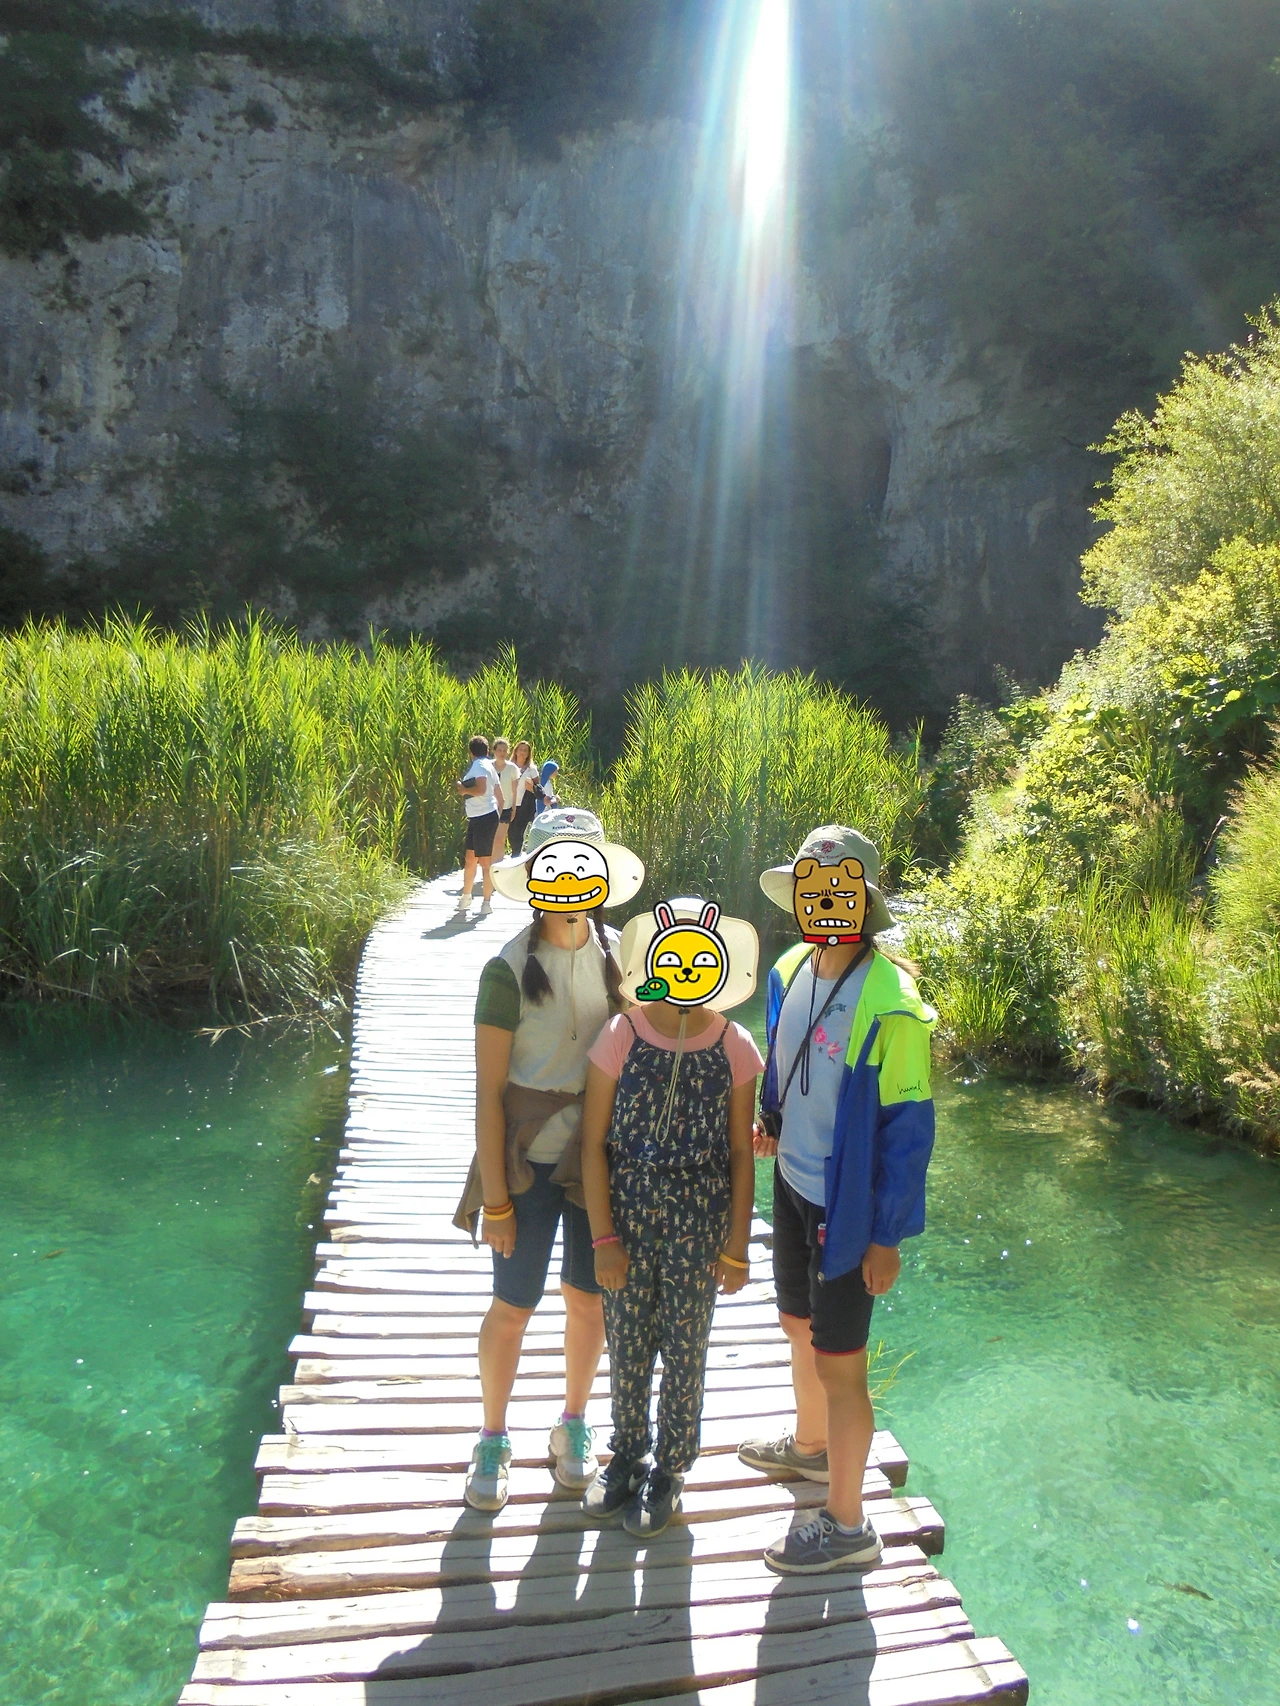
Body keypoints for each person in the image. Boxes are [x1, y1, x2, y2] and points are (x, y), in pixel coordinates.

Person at [740, 826, 936, 1575]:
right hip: (792, 1184)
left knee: (842, 1361)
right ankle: (811, 1446)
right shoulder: (792, 968)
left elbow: (909, 1132)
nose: (822, 902)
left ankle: (849, 1524)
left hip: (846, 1210)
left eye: (837, 889)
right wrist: (771, 1118)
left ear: (864, 901)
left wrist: (886, 1238)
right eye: (811, 889)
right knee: (798, 1325)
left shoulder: (893, 1003)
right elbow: (783, 1058)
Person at [454, 809, 647, 1511]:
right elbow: (488, 1093)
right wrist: (496, 1201)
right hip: (527, 1160)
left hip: (598, 1160)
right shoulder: (506, 970)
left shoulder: (625, 956)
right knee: (513, 1304)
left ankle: (573, 1424)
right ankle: (492, 1436)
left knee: (588, 1299)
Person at [580, 898, 763, 1538]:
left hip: (699, 1225)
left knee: (686, 1350)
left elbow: (740, 1153)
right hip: (626, 1219)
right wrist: (603, 1237)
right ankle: (628, 1454)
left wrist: (737, 1245)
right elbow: (593, 1144)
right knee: (628, 1345)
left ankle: (671, 1469)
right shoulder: (621, 1034)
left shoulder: (735, 1045)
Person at [455, 735, 500, 915]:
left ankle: (486, 903)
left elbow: (481, 789)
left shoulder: (479, 766)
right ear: (487, 750)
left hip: (484, 817)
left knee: (485, 862)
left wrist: (463, 790)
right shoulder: (489, 765)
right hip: (478, 817)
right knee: (470, 858)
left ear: (470, 752)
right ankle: (466, 897)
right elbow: (498, 793)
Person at [489, 737, 520, 861]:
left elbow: (515, 790)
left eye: (504, 750)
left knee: (500, 839)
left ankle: (499, 864)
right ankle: (490, 865)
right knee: (490, 838)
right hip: (489, 807)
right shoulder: (488, 766)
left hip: (506, 807)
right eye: (500, 750)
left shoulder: (512, 768)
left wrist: (514, 808)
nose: (502, 753)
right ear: (494, 751)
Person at [508, 740, 540, 856]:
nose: (522, 752)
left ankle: (516, 856)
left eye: (525, 750)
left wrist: (532, 787)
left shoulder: (532, 769)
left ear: (528, 754)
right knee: (510, 832)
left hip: (524, 805)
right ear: (515, 751)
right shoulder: (509, 767)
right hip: (509, 804)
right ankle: (515, 853)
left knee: (519, 832)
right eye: (520, 749)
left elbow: (539, 789)